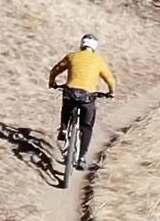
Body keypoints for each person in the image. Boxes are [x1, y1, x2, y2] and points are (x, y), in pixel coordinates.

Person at [48, 34, 116, 171]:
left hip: (71, 94)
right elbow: (109, 79)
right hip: (87, 98)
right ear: (94, 47)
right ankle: (81, 158)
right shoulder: (98, 60)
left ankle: (64, 127)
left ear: (82, 44)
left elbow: (55, 70)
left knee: (66, 105)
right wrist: (111, 92)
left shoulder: (72, 56)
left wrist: (52, 82)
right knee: (86, 127)